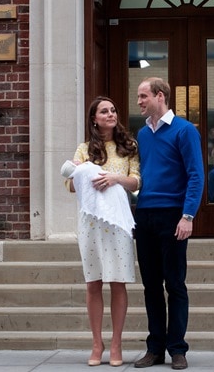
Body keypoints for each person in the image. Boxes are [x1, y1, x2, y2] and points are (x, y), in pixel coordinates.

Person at [133, 77, 204, 370]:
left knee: (174, 284)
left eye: (143, 96)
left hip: (173, 215)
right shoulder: (142, 133)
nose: (139, 101)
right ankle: (154, 349)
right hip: (145, 215)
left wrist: (188, 216)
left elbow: (196, 175)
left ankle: (177, 349)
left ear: (160, 96)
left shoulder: (185, 131)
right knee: (150, 285)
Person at [64, 96, 140, 367]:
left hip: (118, 224)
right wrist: (84, 174)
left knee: (118, 282)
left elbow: (136, 183)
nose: (110, 114)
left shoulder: (129, 147)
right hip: (91, 224)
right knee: (93, 283)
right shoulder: (84, 149)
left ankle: (117, 343)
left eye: (113, 109)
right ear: (94, 118)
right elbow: (70, 185)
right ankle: (97, 343)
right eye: (104, 111)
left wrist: (115, 178)